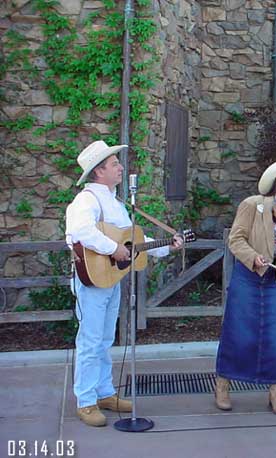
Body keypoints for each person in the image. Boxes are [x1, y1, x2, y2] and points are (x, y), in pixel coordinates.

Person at [65, 140, 183, 427]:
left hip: (111, 279)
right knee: (91, 341)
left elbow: (133, 241)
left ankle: (104, 392)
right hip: (92, 281)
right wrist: (112, 249)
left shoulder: (115, 202)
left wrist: (167, 246)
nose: (120, 167)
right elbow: (80, 231)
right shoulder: (87, 200)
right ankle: (86, 401)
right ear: (98, 171)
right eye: (114, 163)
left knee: (105, 339)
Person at [215, 157, 276, 415]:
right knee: (237, 331)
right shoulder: (253, 205)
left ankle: (275, 391)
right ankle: (223, 384)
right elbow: (235, 240)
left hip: (274, 280)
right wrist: (253, 257)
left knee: (273, 337)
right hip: (248, 277)